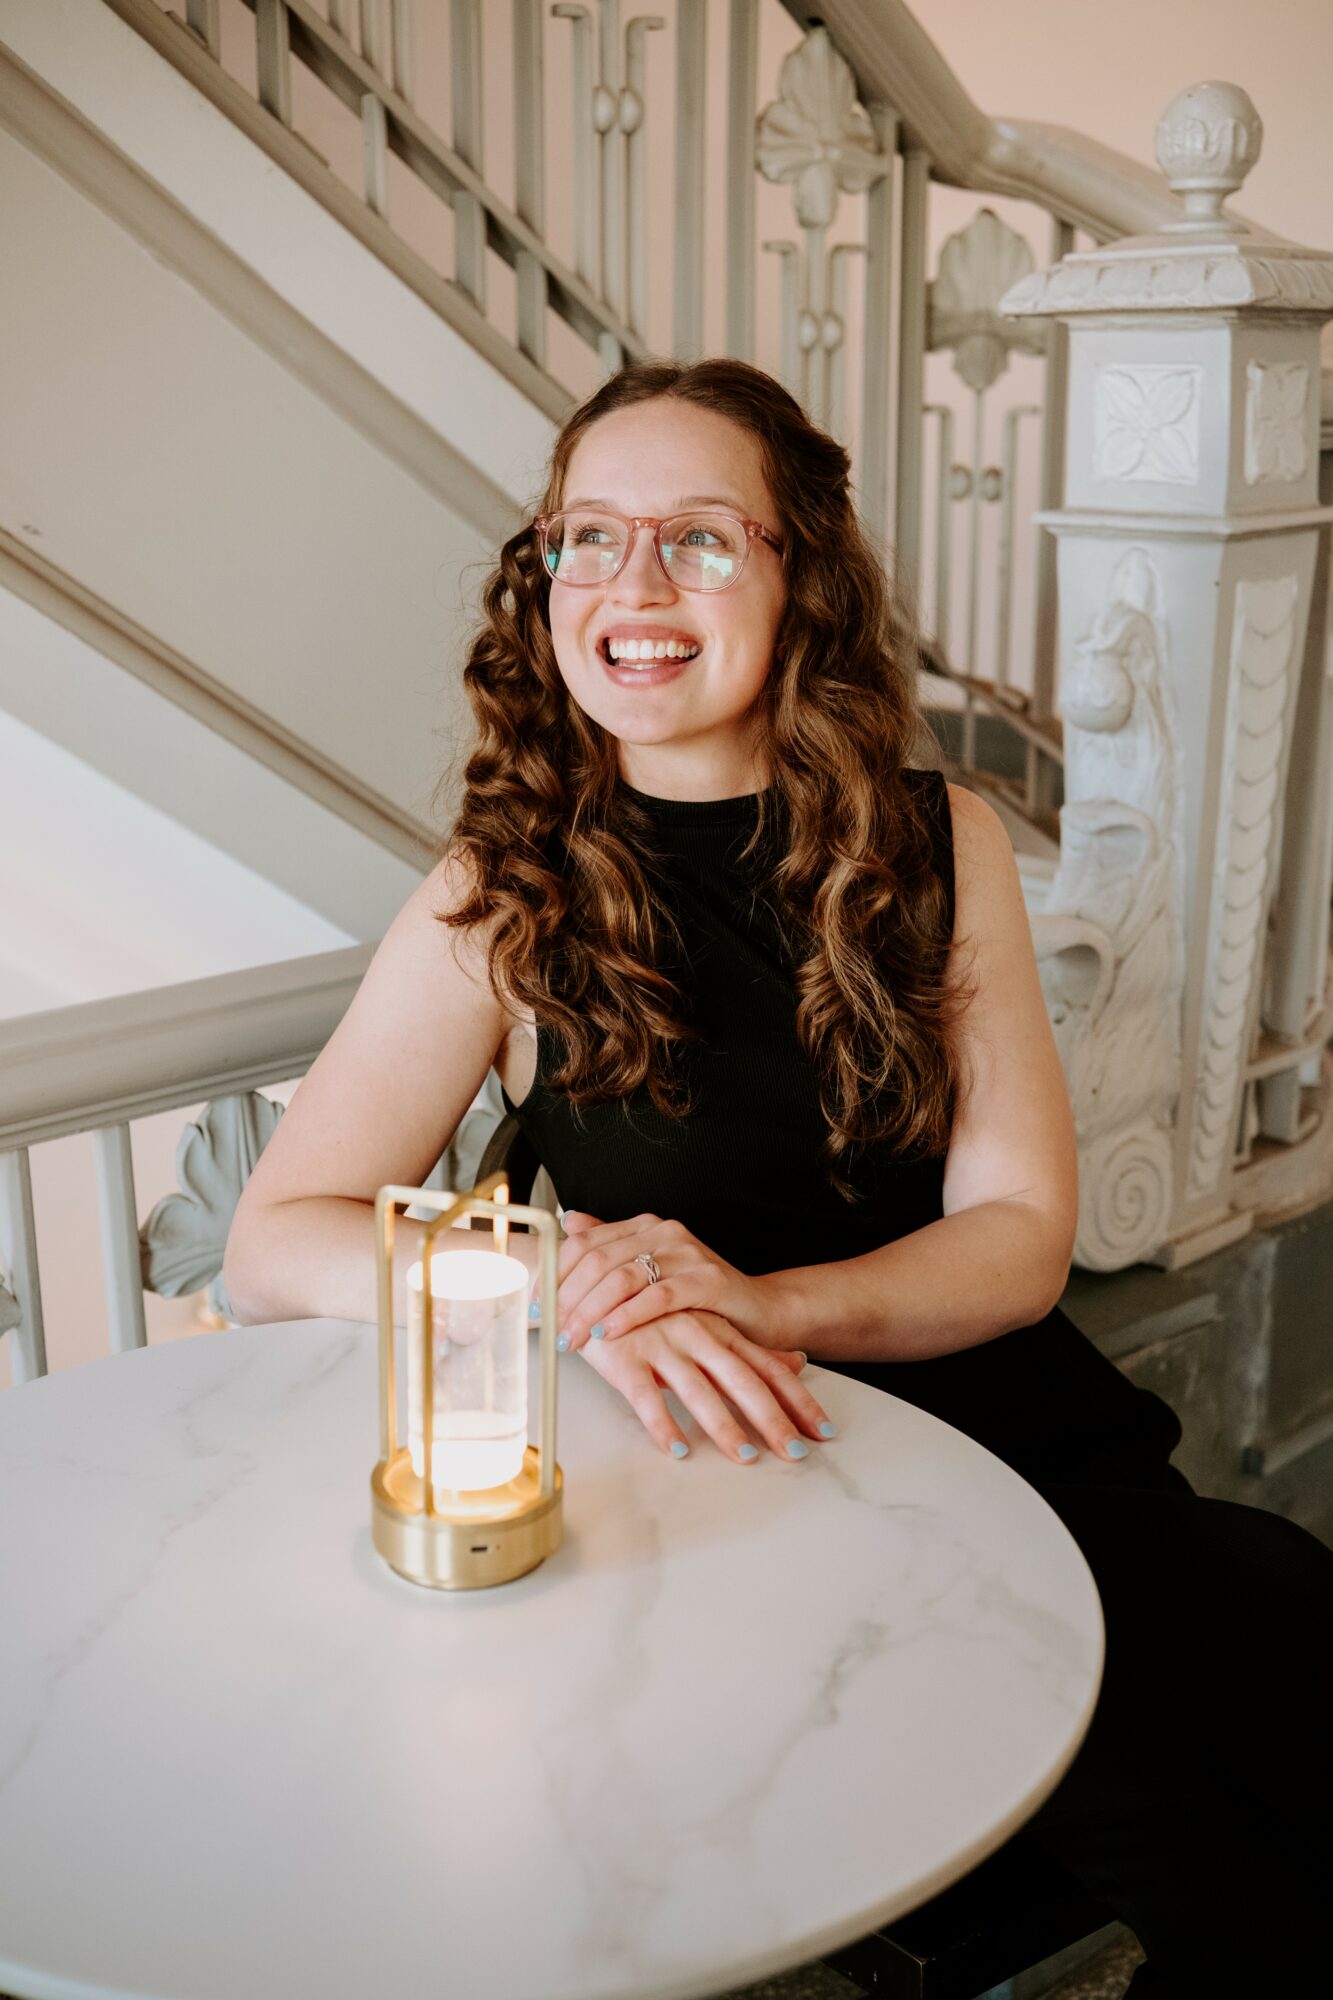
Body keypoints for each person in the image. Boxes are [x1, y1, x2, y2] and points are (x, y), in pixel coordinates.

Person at [223, 357, 1330, 1993]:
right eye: (587, 538)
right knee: (1208, 1829)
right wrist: (580, 1285)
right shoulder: (500, 892)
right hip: (736, 1475)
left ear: (797, 572)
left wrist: (763, 1302)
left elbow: (1020, 1232)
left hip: (995, 1423)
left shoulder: (937, 839)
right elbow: (272, 1243)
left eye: (698, 537)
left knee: (1284, 1637)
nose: (633, 586)